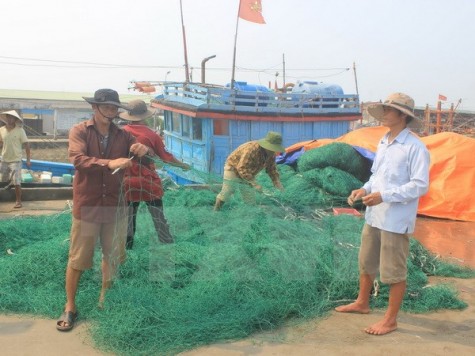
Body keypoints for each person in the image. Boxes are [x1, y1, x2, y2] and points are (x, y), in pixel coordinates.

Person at [335, 92, 430, 335]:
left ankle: (390, 320)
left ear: (402, 116)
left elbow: (420, 185)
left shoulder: (415, 147)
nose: (384, 113)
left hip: (395, 220)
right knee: (366, 261)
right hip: (375, 215)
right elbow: (376, 176)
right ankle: (362, 302)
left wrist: (384, 196)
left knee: (393, 270)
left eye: (389, 109)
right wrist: (364, 189)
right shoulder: (384, 141)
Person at [56, 89, 149, 332]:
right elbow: (78, 160)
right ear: (95, 108)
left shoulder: (124, 135)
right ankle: (70, 305)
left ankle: (103, 299)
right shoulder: (80, 131)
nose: (111, 112)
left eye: (114, 107)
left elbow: (139, 154)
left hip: (115, 205)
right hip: (89, 205)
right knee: (78, 258)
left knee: (113, 256)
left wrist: (142, 150)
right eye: (106, 107)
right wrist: (109, 162)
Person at [119, 100, 190, 249]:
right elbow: (166, 157)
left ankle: (127, 248)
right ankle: (167, 245)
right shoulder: (151, 135)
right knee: (158, 216)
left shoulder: (121, 133)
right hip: (148, 182)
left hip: (127, 182)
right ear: (145, 115)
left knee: (129, 218)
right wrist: (183, 165)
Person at [214, 131, 284, 211]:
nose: (273, 151)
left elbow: (271, 169)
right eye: (271, 148)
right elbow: (242, 168)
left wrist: (277, 183)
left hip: (249, 173)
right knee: (228, 191)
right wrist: (254, 184)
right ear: (266, 146)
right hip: (233, 168)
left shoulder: (271, 155)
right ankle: (215, 211)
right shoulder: (252, 149)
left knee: (250, 200)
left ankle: (248, 215)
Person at [0, 110, 31, 209]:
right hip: (4, 159)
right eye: (8, 117)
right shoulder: (1, 130)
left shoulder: (20, 130)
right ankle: (9, 184)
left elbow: (26, 145)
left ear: (15, 119)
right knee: (3, 179)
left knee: (17, 181)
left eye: (11, 117)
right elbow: (1, 143)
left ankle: (18, 201)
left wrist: (28, 159)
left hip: (16, 160)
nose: (9, 119)